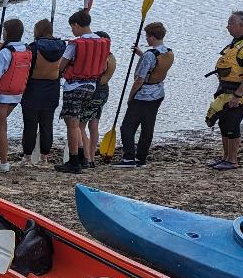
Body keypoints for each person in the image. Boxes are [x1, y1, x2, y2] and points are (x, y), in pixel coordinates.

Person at [207, 11, 243, 171]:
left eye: (230, 23)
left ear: (241, 25)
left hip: (239, 94)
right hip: (226, 92)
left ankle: (232, 160)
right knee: (223, 123)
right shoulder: (237, 43)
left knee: (232, 124)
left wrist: (238, 95)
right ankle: (226, 157)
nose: (227, 27)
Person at [53, 9, 111, 174]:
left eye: (72, 27)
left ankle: (73, 162)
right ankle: (82, 158)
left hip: (74, 86)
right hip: (92, 86)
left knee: (72, 125)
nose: (72, 31)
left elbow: (61, 66)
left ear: (77, 25)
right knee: (76, 122)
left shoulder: (75, 44)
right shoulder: (102, 42)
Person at [116, 21, 172, 169]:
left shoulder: (149, 55)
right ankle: (141, 158)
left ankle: (129, 158)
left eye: (147, 36)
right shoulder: (168, 52)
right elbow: (155, 65)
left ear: (152, 37)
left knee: (127, 127)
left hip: (144, 95)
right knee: (148, 126)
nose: (146, 39)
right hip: (158, 93)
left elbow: (140, 79)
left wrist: (131, 96)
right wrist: (140, 53)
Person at [0, 19, 31, 172]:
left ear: (8, 33)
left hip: (2, 96)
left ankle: (4, 162)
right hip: (17, 95)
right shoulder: (26, 50)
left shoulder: (5, 52)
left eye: (4, 31)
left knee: (0, 126)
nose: (3, 33)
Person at [21, 19, 65, 163]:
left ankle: (27, 156)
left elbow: (26, 68)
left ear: (37, 31)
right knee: (47, 125)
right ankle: (44, 158)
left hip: (33, 89)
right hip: (52, 90)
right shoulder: (62, 46)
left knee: (30, 125)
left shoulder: (33, 48)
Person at [86, 31, 117, 170]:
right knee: (94, 126)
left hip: (95, 91)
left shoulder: (103, 58)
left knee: (80, 125)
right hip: (104, 91)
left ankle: (86, 157)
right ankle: (91, 158)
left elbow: (100, 70)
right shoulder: (112, 56)